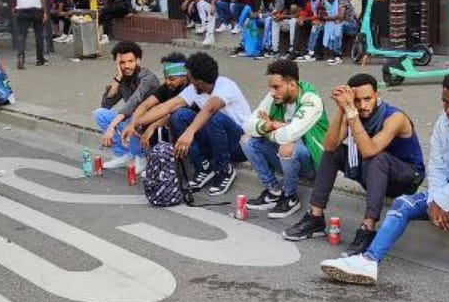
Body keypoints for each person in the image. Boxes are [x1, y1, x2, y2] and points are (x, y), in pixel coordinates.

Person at [322, 73, 449, 284]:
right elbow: (438, 167)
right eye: (445, 103)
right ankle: (369, 260)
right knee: (402, 203)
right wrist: (437, 200)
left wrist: (442, 201)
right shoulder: (444, 123)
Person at [281, 73, 422, 252]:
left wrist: (352, 114)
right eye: (356, 100)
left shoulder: (394, 117)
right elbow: (329, 145)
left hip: (405, 178)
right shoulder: (351, 111)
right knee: (333, 153)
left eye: (368, 99)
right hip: (374, 175)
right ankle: (315, 217)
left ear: (377, 96)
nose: (363, 106)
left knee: (377, 157)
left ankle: (368, 229)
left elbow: (369, 150)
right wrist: (341, 109)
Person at [241, 59, 325, 218]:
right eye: (270, 87)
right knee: (247, 140)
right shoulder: (275, 96)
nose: (272, 92)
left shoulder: (311, 100)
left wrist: (267, 127)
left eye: (276, 87)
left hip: (313, 163)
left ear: (292, 85)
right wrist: (272, 125)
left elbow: (289, 135)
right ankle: (273, 190)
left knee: (287, 146)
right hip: (285, 158)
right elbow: (248, 125)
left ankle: (290, 197)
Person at [164, 51, 255, 194]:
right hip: (216, 140)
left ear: (199, 81)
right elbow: (166, 107)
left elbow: (210, 109)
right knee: (178, 115)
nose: (188, 81)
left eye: (189, 78)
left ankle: (225, 170)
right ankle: (203, 167)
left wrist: (189, 132)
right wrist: (135, 124)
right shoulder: (195, 89)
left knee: (214, 117)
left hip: (239, 145)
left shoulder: (225, 86)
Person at [93, 42, 161, 169]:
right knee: (100, 114)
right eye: (122, 63)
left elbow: (133, 103)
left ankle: (141, 157)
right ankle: (124, 155)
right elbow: (106, 104)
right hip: (132, 118)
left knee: (134, 118)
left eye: (130, 61)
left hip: (151, 123)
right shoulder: (123, 78)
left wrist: (112, 126)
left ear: (138, 60)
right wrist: (118, 77)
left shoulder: (147, 78)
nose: (127, 66)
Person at [113, 52, 194, 150]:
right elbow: (145, 105)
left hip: (192, 129)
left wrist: (152, 127)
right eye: (166, 78)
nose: (167, 82)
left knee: (174, 116)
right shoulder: (167, 86)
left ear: (184, 76)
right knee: (144, 114)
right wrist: (132, 124)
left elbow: (170, 112)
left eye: (172, 79)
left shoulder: (191, 89)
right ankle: (146, 153)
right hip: (170, 123)